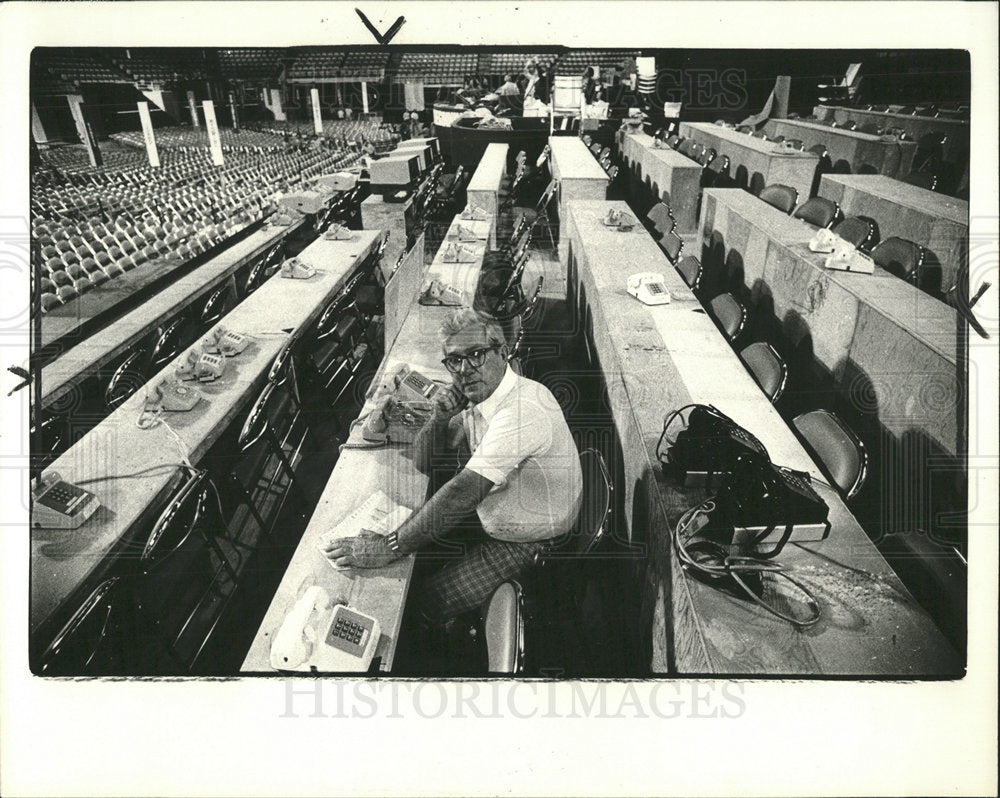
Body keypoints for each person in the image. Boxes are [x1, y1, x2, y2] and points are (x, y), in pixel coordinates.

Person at [325, 308, 583, 630]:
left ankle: (438, 643)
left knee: (423, 599)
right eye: (455, 361)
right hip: (497, 515)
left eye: (476, 355)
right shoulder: (483, 397)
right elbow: (425, 462)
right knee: (414, 550)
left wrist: (388, 546)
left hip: (528, 540)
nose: (464, 370)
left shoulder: (520, 410)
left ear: (502, 352)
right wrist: (440, 416)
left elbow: (463, 493)